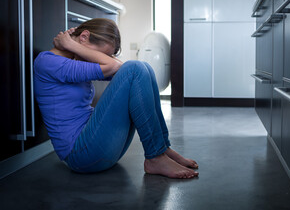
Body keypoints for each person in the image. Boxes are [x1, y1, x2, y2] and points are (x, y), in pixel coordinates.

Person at [34, 18, 198, 179]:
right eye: (99, 54)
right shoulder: (48, 62)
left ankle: (162, 149)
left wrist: (75, 46)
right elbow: (117, 67)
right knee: (135, 68)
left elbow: (121, 70)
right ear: (83, 37)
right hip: (81, 155)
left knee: (145, 69)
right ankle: (155, 158)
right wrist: (72, 45)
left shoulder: (74, 59)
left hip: (99, 148)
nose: (96, 58)